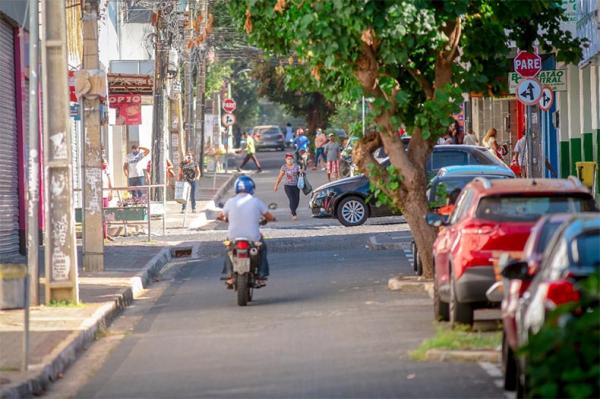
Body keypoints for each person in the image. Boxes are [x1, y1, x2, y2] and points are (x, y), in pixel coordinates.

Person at [218, 176, 275, 288]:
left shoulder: (230, 201)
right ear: (251, 188)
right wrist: (269, 219)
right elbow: (269, 216)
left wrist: (225, 219)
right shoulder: (255, 201)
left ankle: (229, 276)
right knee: (263, 248)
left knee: (228, 249)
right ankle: (261, 275)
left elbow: (220, 216)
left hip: (233, 237)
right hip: (253, 237)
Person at [274, 153, 302, 221]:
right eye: (288, 159)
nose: (289, 160)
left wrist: (301, 172)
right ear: (285, 160)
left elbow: (301, 175)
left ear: (293, 159)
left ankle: (293, 210)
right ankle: (294, 214)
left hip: (296, 186)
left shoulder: (297, 166)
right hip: (288, 186)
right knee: (292, 199)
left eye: (291, 159)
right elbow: (280, 177)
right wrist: (276, 185)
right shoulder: (284, 167)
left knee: (297, 200)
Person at [101, 159, 114, 241]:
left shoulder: (106, 172)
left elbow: (109, 183)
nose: (106, 164)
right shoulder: (98, 172)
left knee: (106, 215)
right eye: (104, 163)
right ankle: (102, 235)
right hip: (100, 196)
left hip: (105, 195)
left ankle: (105, 234)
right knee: (100, 216)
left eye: (106, 162)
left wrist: (111, 192)